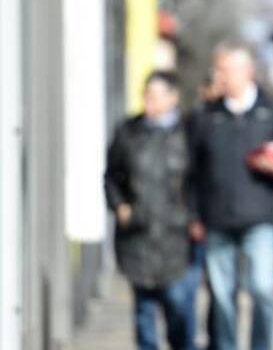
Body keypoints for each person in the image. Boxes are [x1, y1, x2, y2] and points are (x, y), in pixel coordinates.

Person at [188, 42, 273, 350]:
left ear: (246, 71)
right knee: (222, 296)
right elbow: (191, 171)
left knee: (263, 289)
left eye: (225, 69)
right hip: (217, 220)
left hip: (260, 219)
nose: (219, 75)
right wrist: (194, 215)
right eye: (217, 69)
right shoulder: (205, 117)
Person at [104, 71, 197, 350]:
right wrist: (119, 206)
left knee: (179, 311)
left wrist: (194, 217)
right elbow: (112, 176)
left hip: (177, 239)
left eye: (155, 96)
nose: (148, 102)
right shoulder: (128, 132)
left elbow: (203, 180)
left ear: (173, 98)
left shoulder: (188, 134)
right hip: (138, 236)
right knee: (144, 316)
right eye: (146, 95)